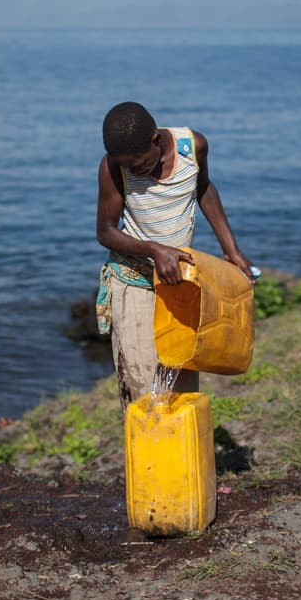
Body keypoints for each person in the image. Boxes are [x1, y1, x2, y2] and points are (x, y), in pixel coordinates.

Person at [95, 101, 254, 410]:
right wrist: (155, 249)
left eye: (139, 164)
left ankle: (181, 454)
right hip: (134, 280)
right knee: (142, 390)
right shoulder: (112, 166)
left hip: (178, 281)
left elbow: (204, 189)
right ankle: (150, 455)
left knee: (180, 384)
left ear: (155, 139)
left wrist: (231, 249)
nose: (133, 170)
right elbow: (105, 231)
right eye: (125, 164)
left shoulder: (193, 146)